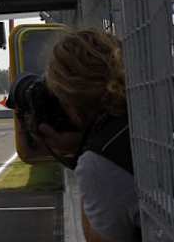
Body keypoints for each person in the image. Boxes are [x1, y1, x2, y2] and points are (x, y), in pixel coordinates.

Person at [37, 29, 140, 242]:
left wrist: (83, 155)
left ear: (70, 97)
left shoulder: (99, 162)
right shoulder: (150, 111)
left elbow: (98, 239)